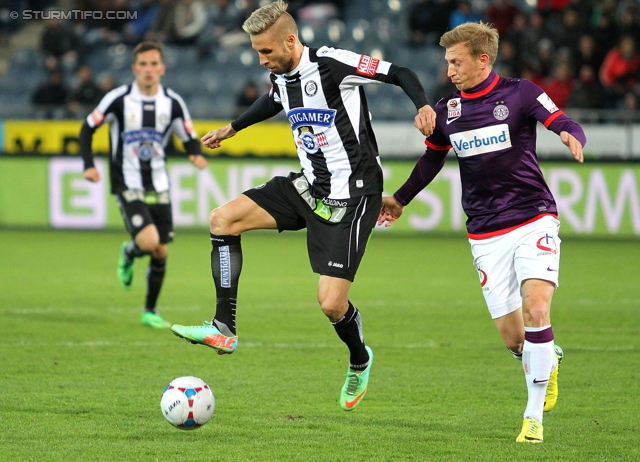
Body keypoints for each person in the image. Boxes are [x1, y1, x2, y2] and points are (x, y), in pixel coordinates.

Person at [170, 0, 436, 411]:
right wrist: (232, 128)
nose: (261, 60)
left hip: (354, 194)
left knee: (331, 304)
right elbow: (274, 99)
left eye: (266, 52)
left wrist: (422, 105)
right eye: (257, 52)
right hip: (309, 186)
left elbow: (399, 72)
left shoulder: (331, 64)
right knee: (223, 219)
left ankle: (360, 358)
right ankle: (224, 326)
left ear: (290, 40)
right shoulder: (281, 76)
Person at [378, 22, 586, 442]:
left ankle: (533, 419)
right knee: (514, 339)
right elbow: (432, 160)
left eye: (456, 62)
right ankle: (548, 357)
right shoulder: (447, 109)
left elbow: (561, 119)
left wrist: (569, 134)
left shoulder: (521, 93)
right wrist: (400, 199)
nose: (449, 70)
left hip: (533, 217)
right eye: (447, 63)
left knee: (537, 310)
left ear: (482, 59)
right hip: (485, 232)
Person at [79, 42, 207, 329]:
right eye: (143, 64)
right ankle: (129, 251)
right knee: (149, 242)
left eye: (153, 64)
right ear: (134, 68)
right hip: (126, 180)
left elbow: (187, 134)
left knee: (161, 250)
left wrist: (195, 153)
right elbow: (88, 127)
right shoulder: (119, 99)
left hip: (158, 182)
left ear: (162, 68)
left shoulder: (172, 102)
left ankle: (150, 310)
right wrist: (88, 164)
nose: (148, 69)